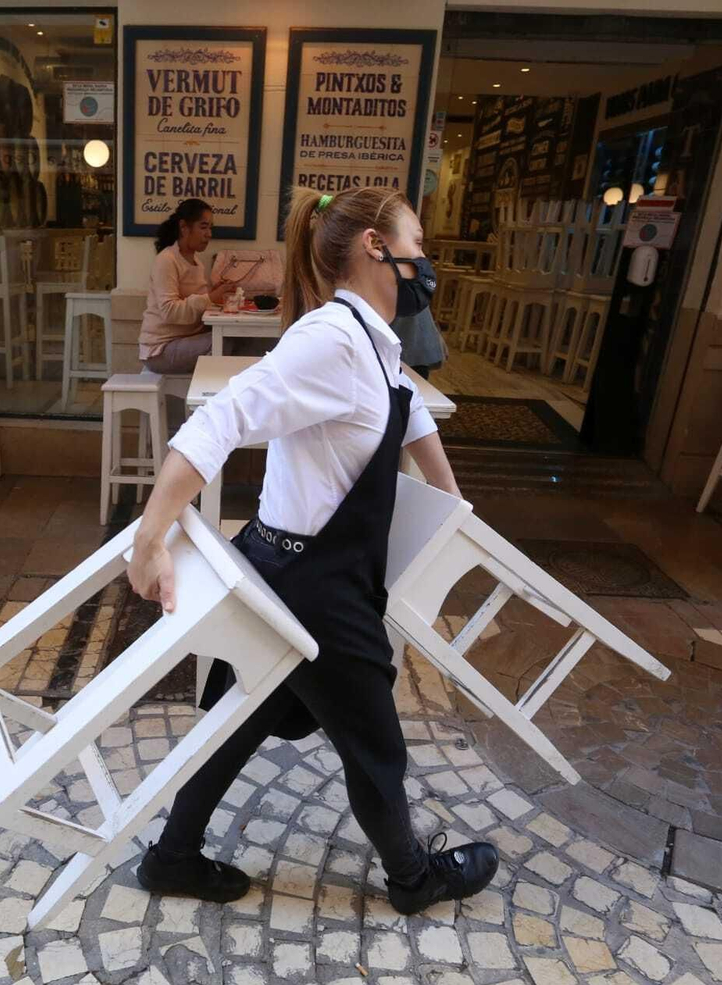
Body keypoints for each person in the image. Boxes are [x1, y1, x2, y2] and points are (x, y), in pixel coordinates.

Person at [128, 186, 499, 915]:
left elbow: (406, 406)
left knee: (241, 719)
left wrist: (455, 507)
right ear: (374, 246)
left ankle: (172, 856)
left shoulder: (370, 342)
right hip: (316, 584)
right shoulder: (330, 339)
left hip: (291, 568)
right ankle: (413, 878)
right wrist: (151, 536)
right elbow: (223, 417)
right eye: (416, 242)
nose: (424, 259)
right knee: (374, 744)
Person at [138, 199, 240, 375]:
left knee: (241, 338)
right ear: (184, 227)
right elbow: (169, 311)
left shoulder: (196, 262)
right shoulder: (167, 260)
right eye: (203, 227)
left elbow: (198, 304)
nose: (209, 234)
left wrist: (217, 294)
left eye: (210, 228)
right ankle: (210, 397)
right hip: (161, 349)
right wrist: (211, 297)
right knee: (226, 342)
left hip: (186, 340)